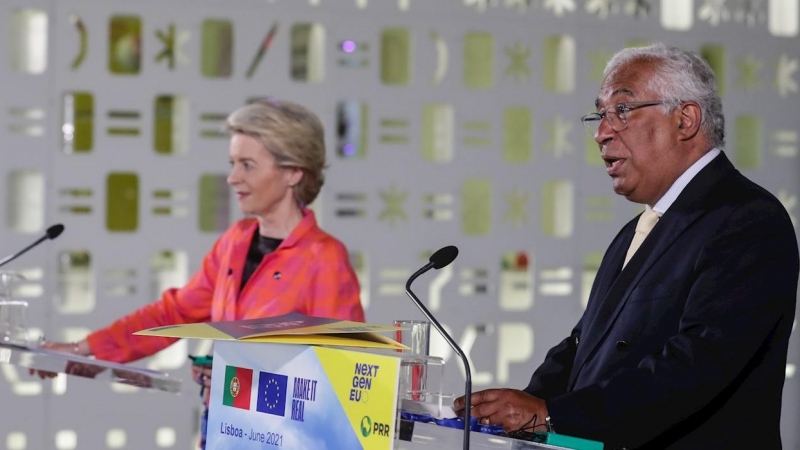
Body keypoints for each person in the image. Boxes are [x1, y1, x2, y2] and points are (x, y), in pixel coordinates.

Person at [454, 43, 799, 449]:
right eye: (600, 115)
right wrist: (511, 412)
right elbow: (584, 347)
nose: (602, 132)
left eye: (622, 110)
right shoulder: (636, 231)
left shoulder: (747, 219)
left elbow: (695, 366)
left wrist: (549, 416)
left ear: (685, 119)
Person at [39, 97, 365, 448]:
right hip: (221, 431)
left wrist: (239, 379)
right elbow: (173, 314)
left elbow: (345, 378)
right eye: (232, 163)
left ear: (293, 172)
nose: (232, 177)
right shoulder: (235, 242)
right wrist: (81, 349)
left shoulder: (324, 259)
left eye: (248, 165)